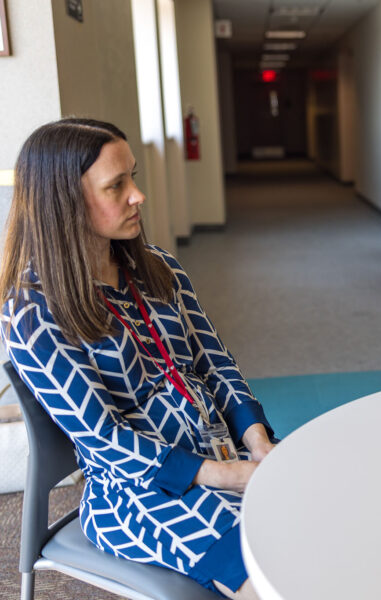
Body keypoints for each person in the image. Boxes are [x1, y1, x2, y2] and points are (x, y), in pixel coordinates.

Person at [0, 118, 274, 599]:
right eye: (117, 185)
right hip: (135, 491)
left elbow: (215, 363)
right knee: (268, 566)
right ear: (63, 204)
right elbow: (104, 440)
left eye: (134, 177)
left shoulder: (158, 267)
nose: (137, 196)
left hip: (220, 450)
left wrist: (258, 443)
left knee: (320, 510)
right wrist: (229, 476)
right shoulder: (33, 314)